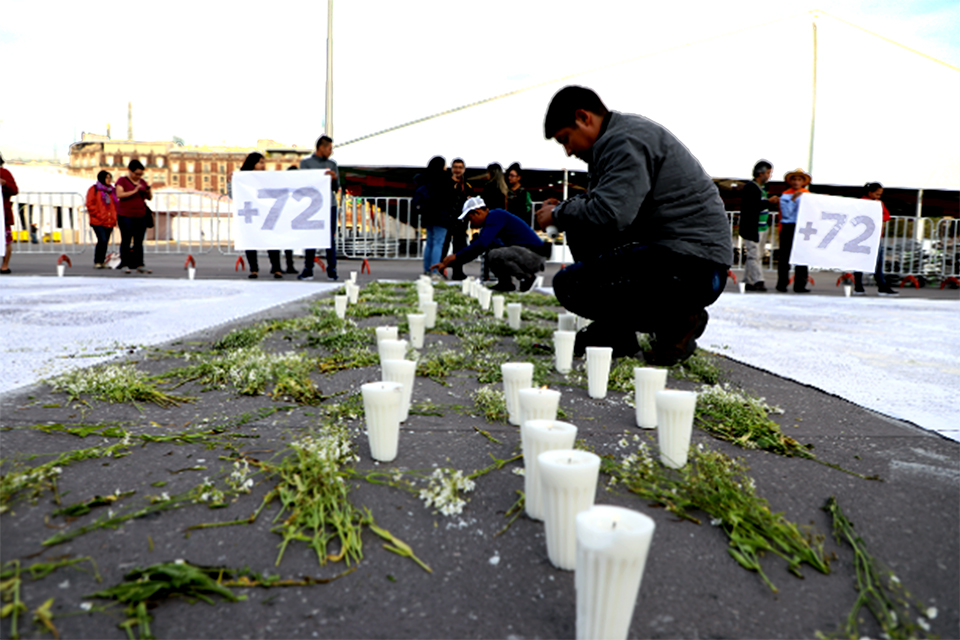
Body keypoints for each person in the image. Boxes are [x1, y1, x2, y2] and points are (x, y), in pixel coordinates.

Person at [535, 86, 732, 365]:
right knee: (580, 224)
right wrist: (568, 211)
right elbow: (605, 212)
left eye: (566, 139)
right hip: (687, 263)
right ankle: (618, 332)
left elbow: (611, 213)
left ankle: (678, 319)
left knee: (571, 284)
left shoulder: (624, 141)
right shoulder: (616, 141)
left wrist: (558, 213)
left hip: (694, 270)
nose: (568, 151)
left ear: (584, 117)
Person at [432, 196, 550, 292]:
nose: (470, 223)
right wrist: (451, 262)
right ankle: (505, 283)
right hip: (526, 254)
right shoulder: (490, 224)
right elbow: (477, 250)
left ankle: (527, 277)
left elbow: (481, 244)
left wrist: (455, 256)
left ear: (477, 212)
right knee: (491, 250)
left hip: (534, 256)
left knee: (494, 254)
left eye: (470, 218)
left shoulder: (496, 215)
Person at [298, 135, 340, 281]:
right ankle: (308, 269)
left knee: (330, 238)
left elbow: (336, 188)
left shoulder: (332, 164)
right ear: (321, 148)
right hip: (313, 206)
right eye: (329, 148)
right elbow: (303, 183)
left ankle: (332, 270)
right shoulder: (306, 164)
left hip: (330, 205)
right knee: (311, 237)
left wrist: (334, 179)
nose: (331, 152)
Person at [238, 152, 283, 279]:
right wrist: (231, 181)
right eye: (261, 162)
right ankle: (254, 269)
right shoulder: (241, 178)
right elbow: (233, 194)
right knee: (251, 240)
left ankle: (276, 268)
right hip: (251, 214)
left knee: (271, 240)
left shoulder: (267, 178)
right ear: (253, 164)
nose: (263, 166)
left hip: (266, 213)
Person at [738, 160, 780, 291]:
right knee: (754, 255)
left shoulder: (761, 188)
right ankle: (758, 280)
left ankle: (747, 280)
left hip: (761, 227)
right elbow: (752, 206)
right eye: (768, 173)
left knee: (756, 255)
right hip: (753, 227)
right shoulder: (751, 187)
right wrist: (769, 202)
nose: (769, 176)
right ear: (760, 173)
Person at [853, 182, 898, 297]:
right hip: (863, 237)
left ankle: (875, 286)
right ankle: (864, 286)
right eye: (877, 194)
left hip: (874, 236)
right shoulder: (863, 203)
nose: (879, 197)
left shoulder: (878, 204)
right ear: (870, 193)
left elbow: (887, 216)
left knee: (875, 262)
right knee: (862, 261)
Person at [412, 156, 451, 278]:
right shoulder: (445, 179)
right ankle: (434, 271)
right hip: (442, 215)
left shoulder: (425, 178)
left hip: (427, 214)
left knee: (429, 243)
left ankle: (427, 270)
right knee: (438, 243)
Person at [775, 168, 811, 293]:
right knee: (785, 257)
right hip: (789, 226)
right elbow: (786, 213)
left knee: (802, 256)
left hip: (802, 226)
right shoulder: (785, 195)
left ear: (803, 182)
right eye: (794, 179)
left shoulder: (807, 194)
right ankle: (782, 284)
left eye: (799, 180)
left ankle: (801, 284)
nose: (796, 182)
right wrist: (793, 200)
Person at [115, 159, 153, 274]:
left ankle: (139, 263)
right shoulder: (122, 181)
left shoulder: (142, 182)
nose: (138, 176)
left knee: (138, 241)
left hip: (140, 215)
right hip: (125, 215)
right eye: (136, 174)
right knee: (126, 240)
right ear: (130, 171)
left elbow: (149, 198)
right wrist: (135, 190)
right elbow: (119, 194)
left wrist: (147, 191)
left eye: (141, 174)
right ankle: (124, 263)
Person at [441, 158, 472, 280]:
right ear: (451, 168)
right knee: (444, 246)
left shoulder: (467, 185)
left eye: (460, 167)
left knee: (459, 247)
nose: (457, 170)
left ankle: (458, 271)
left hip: (461, 220)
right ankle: (440, 269)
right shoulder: (445, 183)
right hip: (447, 219)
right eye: (455, 167)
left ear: (464, 169)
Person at [85, 171, 118, 268]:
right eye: (107, 177)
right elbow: (90, 204)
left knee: (105, 241)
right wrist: (98, 214)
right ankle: (97, 261)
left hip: (109, 220)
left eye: (110, 177)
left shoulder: (112, 191)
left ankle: (102, 261)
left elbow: (115, 204)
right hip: (98, 220)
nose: (109, 180)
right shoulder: (94, 189)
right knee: (102, 240)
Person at [1, 153, 18, 275]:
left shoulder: (4, 173)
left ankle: (4, 265)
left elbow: (15, 190)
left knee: (6, 240)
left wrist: (5, 183)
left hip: (3, 214)